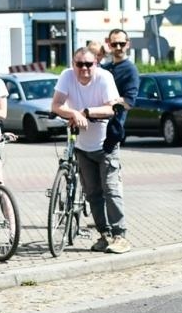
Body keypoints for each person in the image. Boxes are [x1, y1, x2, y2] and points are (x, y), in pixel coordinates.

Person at [51, 47, 131, 254]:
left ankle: (120, 236)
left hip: (105, 145)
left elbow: (112, 108)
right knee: (93, 194)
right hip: (81, 145)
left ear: (96, 63)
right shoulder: (66, 76)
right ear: (73, 64)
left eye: (89, 64)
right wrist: (73, 114)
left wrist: (86, 112)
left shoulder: (104, 78)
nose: (84, 69)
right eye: (79, 64)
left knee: (111, 190)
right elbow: (56, 105)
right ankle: (104, 235)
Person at [100, 30, 140, 151]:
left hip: (112, 132)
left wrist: (109, 101)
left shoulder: (130, 70)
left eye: (121, 44)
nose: (118, 47)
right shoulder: (105, 68)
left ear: (128, 44)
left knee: (109, 168)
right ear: (109, 45)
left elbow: (128, 102)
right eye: (114, 44)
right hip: (95, 129)